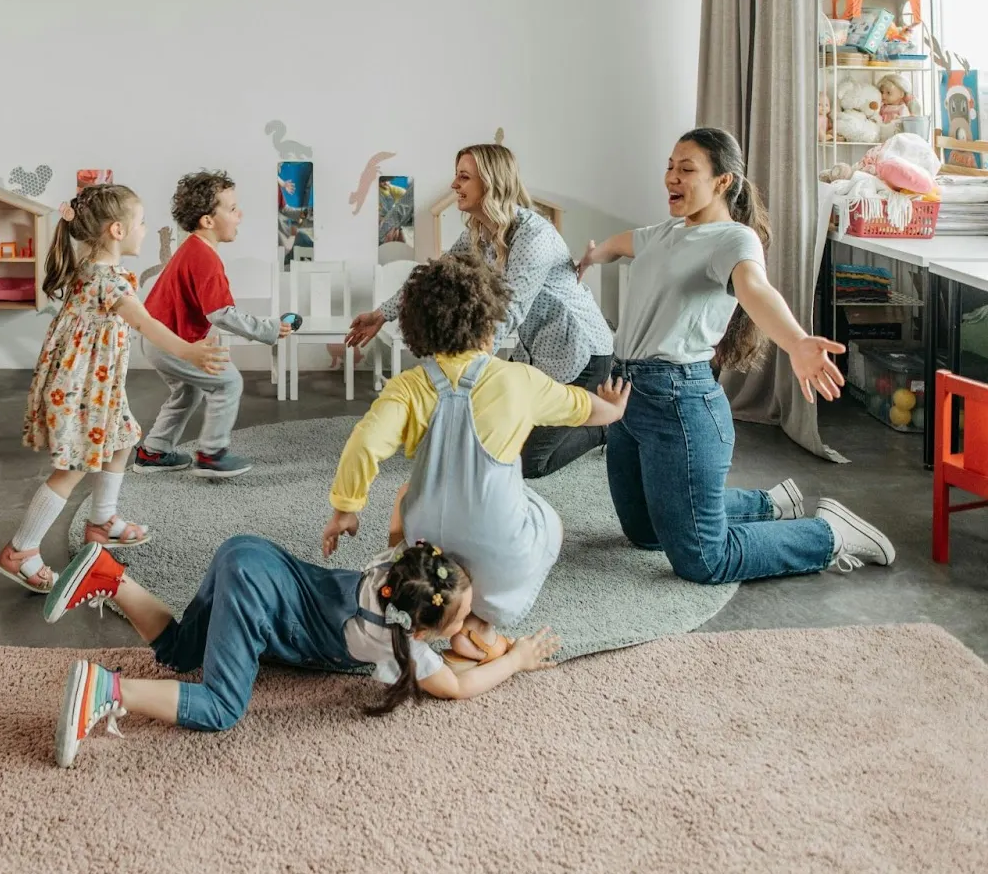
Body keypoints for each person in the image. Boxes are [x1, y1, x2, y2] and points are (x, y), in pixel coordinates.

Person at [576, 128, 894, 584]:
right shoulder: (666, 231)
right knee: (645, 533)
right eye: (670, 166)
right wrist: (596, 254)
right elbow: (625, 242)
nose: (672, 177)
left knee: (705, 560)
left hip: (677, 405)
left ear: (723, 182)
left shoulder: (733, 240)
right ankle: (770, 503)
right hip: (626, 396)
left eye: (687, 170)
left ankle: (829, 534)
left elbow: (755, 289)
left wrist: (797, 341)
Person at [323, 252, 634, 663]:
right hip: (501, 567)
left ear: (419, 330)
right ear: (489, 323)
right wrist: (612, 410)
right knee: (546, 517)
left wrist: (346, 508)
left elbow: (364, 444)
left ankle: (430, 596)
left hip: (429, 556)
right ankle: (481, 623)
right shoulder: (518, 380)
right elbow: (581, 406)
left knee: (406, 495)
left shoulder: (408, 387)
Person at [42, 538, 560, 768]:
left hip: (248, 554)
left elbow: (404, 503)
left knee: (181, 652)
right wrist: (515, 659)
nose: (472, 622)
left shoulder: (393, 569)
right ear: (419, 634)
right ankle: (106, 690)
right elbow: (459, 686)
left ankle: (109, 576)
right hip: (255, 593)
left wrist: (462, 630)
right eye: (465, 615)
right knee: (222, 707)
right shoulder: (396, 643)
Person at [0, 184, 229, 593]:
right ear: (118, 230)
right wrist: (188, 351)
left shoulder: (91, 270)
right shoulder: (109, 282)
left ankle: (103, 521)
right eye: (140, 222)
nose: (144, 229)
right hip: (84, 390)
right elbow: (145, 324)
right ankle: (21, 550)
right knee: (72, 469)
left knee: (122, 441)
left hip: (98, 388)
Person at [346, 143, 615, 478]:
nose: (453, 185)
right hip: (536, 354)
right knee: (493, 442)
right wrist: (382, 313)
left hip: (580, 353)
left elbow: (510, 309)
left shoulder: (534, 235)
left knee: (528, 463)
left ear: (491, 182)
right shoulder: (480, 234)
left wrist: (468, 368)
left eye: (464, 177)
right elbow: (435, 278)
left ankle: (611, 429)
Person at [134, 171, 291, 479]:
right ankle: (211, 454)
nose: (240, 214)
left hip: (159, 339)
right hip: (169, 341)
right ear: (208, 220)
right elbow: (220, 313)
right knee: (228, 382)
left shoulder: (195, 249)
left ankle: (153, 452)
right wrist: (268, 329)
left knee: (187, 393)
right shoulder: (204, 257)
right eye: (232, 209)